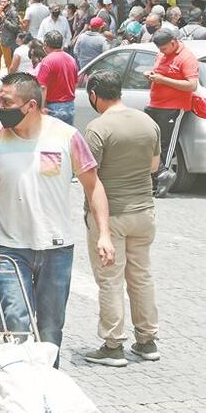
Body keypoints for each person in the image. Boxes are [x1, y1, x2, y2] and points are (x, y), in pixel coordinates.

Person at [0, 73, 115, 365]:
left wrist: (104, 234)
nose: (0, 108)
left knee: (51, 329)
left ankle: (49, 389)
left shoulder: (66, 136)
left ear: (31, 106)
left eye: (7, 102)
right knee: (17, 325)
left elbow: (93, 185)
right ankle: (23, 394)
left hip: (57, 248)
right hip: (9, 248)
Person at [81, 71, 162, 367]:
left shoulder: (97, 128)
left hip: (110, 216)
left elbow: (90, 177)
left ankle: (113, 345)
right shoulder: (148, 122)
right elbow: (153, 167)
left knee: (110, 279)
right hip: (144, 211)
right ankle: (147, 340)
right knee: (141, 277)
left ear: (94, 95)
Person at [145, 29, 200, 193]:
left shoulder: (186, 57)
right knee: (148, 140)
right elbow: (160, 71)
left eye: (164, 49)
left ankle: (161, 177)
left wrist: (163, 80)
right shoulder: (161, 54)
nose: (161, 52)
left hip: (174, 107)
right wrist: (152, 75)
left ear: (174, 42)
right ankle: (159, 175)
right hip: (155, 104)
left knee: (166, 144)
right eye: (159, 49)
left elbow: (192, 85)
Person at [35, 31, 79, 125]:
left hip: (53, 107)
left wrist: (41, 108)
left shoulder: (47, 61)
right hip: (70, 106)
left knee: (53, 138)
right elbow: (75, 83)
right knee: (66, 138)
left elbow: (42, 87)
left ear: (46, 45)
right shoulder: (71, 59)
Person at [0, 0, 21, 86]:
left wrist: (4, 19)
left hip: (7, 40)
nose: (2, 3)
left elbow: (15, 27)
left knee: (8, 62)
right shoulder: (0, 10)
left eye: (4, 1)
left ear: (9, 2)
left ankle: (10, 80)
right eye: (1, 2)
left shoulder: (13, 12)